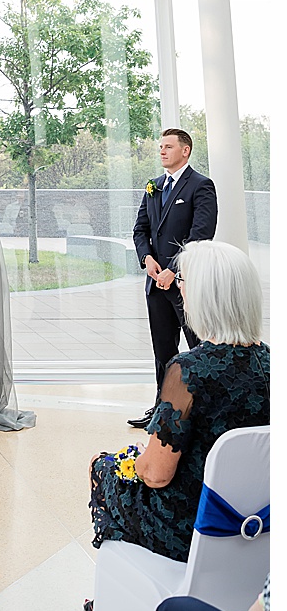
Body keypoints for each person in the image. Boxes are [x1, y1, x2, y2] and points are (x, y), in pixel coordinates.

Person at [86, 239, 268, 583]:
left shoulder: (186, 371)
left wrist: (139, 458)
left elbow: (156, 475)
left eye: (183, 282)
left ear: (203, 297)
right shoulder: (274, 364)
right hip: (262, 522)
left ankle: (119, 593)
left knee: (104, 466)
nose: (180, 289)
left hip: (193, 528)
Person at [130, 127, 218, 428]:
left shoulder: (201, 186)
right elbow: (140, 230)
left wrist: (174, 270)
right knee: (163, 350)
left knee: (197, 346)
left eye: (168, 146)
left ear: (186, 150)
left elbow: (201, 234)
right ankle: (162, 411)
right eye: (160, 147)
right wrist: (148, 260)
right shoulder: (153, 186)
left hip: (186, 284)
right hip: (156, 285)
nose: (162, 151)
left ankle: (203, 409)